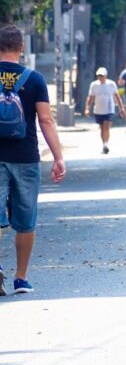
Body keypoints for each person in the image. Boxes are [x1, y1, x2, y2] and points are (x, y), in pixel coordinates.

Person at [0, 24, 66, 296]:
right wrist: (59, 157)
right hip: (26, 157)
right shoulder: (35, 79)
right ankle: (21, 278)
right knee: (26, 221)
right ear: (22, 47)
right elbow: (46, 120)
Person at [85, 67, 125, 154]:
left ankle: (106, 144)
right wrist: (87, 108)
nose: (100, 78)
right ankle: (103, 144)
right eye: (99, 76)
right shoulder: (94, 85)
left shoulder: (111, 84)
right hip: (98, 110)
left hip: (109, 108)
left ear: (105, 76)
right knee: (102, 128)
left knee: (107, 126)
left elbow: (117, 96)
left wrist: (121, 108)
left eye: (102, 76)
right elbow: (90, 97)